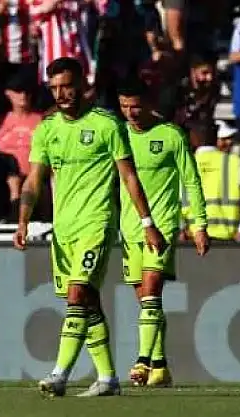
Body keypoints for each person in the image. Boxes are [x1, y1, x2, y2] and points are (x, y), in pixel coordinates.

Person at [13, 57, 166, 397]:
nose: (60, 94)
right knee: (89, 302)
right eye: (54, 88)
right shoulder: (47, 129)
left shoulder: (106, 124)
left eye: (67, 86)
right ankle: (108, 378)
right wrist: (22, 220)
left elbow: (129, 176)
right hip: (63, 228)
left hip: (96, 223)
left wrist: (147, 223)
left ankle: (59, 374)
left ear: (82, 84)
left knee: (77, 293)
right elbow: (34, 179)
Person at [117, 79, 209, 388]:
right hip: (129, 229)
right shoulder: (119, 136)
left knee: (152, 288)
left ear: (149, 103)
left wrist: (199, 224)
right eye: (124, 106)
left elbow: (191, 180)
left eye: (135, 106)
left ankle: (142, 361)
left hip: (163, 225)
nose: (130, 112)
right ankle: (160, 366)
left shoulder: (170, 135)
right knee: (146, 300)